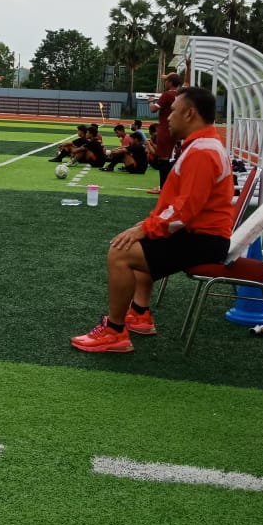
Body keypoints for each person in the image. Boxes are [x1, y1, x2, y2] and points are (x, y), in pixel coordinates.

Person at [71, 87, 235, 353]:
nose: (167, 117)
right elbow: (180, 207)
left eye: (173, 111)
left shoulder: (203, 152)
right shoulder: (202, 146)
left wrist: (146, 229)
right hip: (201, 235)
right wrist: (145, 227)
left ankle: (115, 332)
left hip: (204, 240)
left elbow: (184, 210)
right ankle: (139, 314)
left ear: (190, 113)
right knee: (135, 240)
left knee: (120, 252)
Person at [149, 72, 181, 191]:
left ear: (170, 82)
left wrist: (150, 101)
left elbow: (153, 109)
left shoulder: (167, 94)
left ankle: (164, 187)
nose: (165, 82)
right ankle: (167, 186)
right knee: (168, 158)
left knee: (163, 159)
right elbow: (187, 83)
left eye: (166, 80)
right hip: (175, 130)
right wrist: (188, 67)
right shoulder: (180, 94)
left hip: (165, 129)